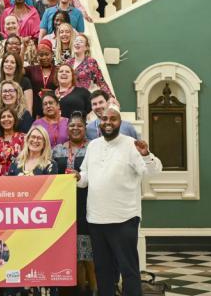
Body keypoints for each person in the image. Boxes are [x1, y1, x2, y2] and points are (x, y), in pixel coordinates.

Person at [76, 104, 162, 296]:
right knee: (103, 270)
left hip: (125, 219)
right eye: (104, 119)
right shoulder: (93, 146)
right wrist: (77, 178)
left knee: (128, 270)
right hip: (97, 220)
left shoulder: (132, 144)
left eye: (112, 119)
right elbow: (85, 178)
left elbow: (152, 172)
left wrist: (146, 155)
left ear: (119, 122)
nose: (108, 123)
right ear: (99, 123)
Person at [53, 113, 96, 296]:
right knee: (71, 253)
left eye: (79, 125)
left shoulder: (93, 149)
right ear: (67, 129)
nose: (75, 128)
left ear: (85, 128)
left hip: (87, 204)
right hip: (64, 207)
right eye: (72, 126)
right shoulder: (57, 150)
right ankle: (76, 290)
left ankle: (94, 289)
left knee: (88, 252)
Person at [0, 107, 25, 175]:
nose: (6, 119)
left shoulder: (23, 137)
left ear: (14, 120)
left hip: (18, 177)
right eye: (3, 117)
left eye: (9, 116)